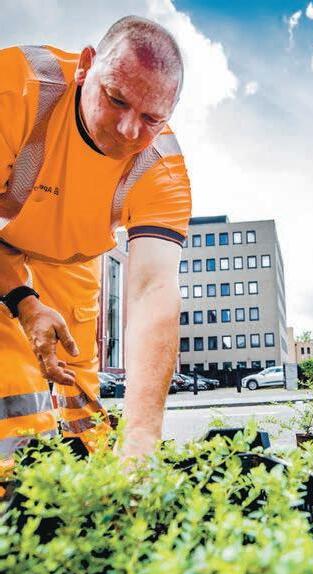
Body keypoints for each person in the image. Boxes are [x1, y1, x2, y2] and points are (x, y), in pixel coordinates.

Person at [0, 16, 191, 468]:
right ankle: (16, 489)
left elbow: (153, 292)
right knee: (14, 380)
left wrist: (142, 439)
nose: (128, 130)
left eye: (151, 118)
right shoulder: (16, 91)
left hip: (70, 261)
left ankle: (95, 482)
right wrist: (23, 301)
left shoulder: (162, 172)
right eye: (116, 99)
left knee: (77, 384)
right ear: (86, 66)